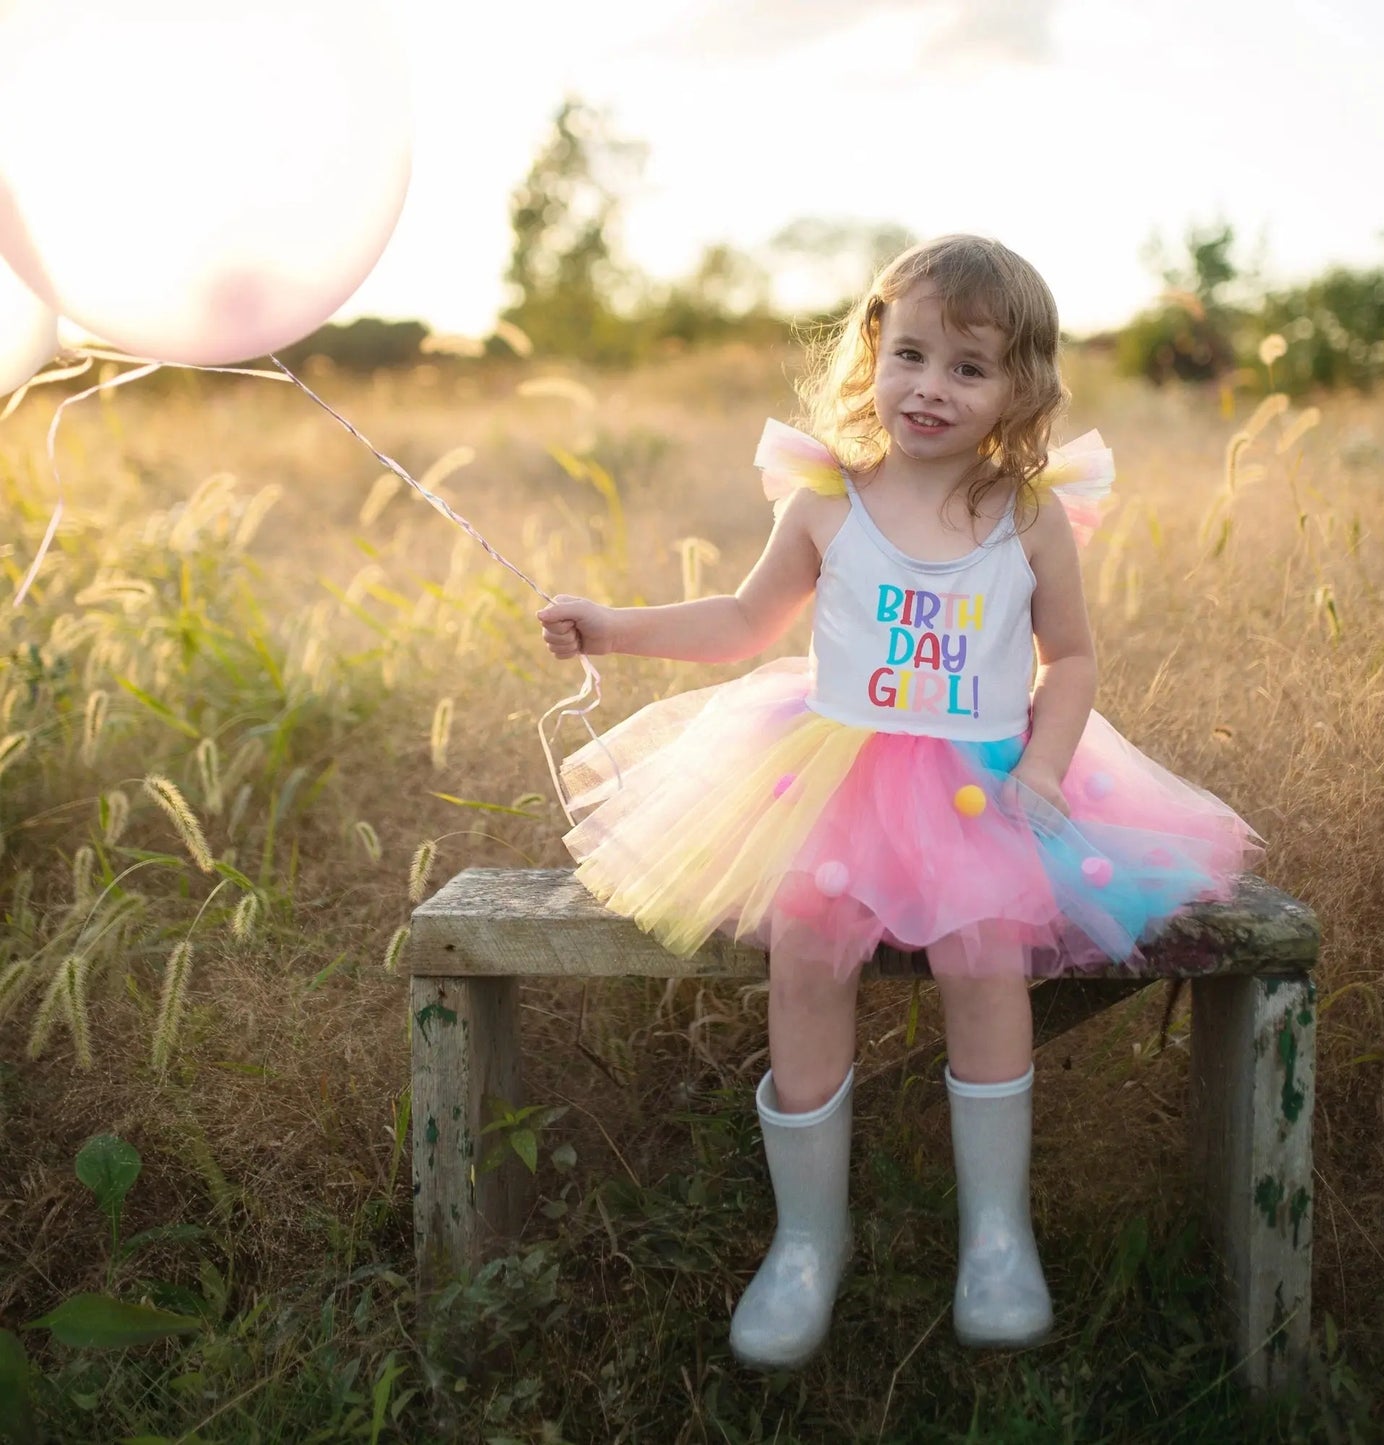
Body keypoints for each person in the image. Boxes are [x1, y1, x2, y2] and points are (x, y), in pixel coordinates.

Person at [536, 234, 1261, 1369]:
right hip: (832, 770)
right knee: (810, 944)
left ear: (1019, 388)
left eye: (968, 368)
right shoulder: (829, 501)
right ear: (871, 353)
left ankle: (995, 1234)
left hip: (980, 777)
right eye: (909, 353)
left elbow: (1068, 660)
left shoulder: (1026, 515)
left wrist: (1041, 766)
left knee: (983, 952)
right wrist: (611, 624)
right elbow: (739, 622)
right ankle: (806, 1242)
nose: (929, 385)